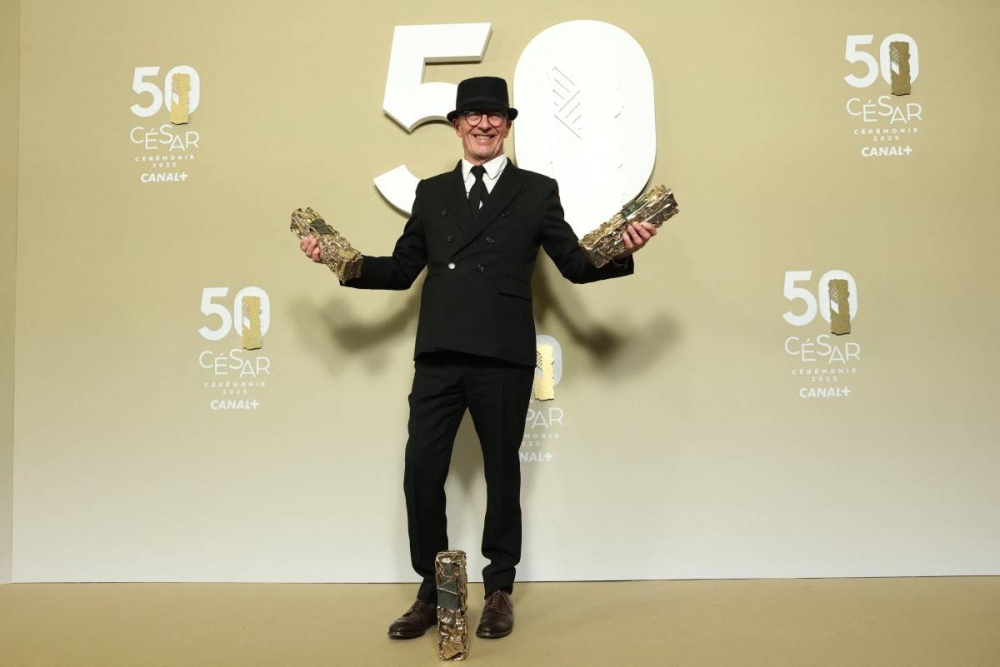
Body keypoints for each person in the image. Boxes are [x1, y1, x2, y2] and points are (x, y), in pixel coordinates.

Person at [300, 76, 656, 639]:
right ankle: (433, 593)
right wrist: (338, 260)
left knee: (503, 475)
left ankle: (498, 592)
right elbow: (401, 270)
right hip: (439, 354)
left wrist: (621, 250)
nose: (484, 124)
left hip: (502, 354)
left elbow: (573, 263)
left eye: (495, 115)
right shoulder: (432, 193)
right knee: (421, 472)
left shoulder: (537, 190)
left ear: (507, 125)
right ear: (457, 125)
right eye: (473, 115)